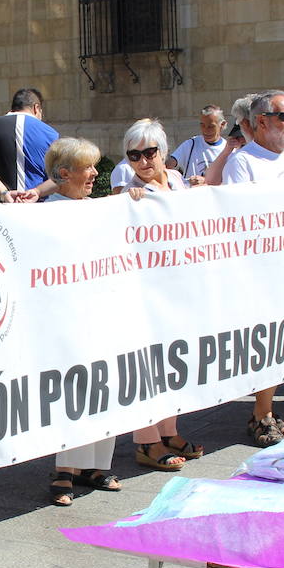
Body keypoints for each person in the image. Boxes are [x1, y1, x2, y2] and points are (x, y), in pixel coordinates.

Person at [221, 90, 284, 445]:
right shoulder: (242, 162)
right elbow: (238, 215)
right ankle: (260, 414)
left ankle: (268, 410)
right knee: (267, 342)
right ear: (261, 122)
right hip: (261, 269)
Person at [116, 119, 202, 470]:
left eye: (149, 153)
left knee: (174, 364)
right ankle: (146, 441)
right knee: (148, 367)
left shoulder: (179, 182)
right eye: (134, 155)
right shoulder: (130, 191)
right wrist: (126, 199)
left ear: (163, 153)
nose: (143, 162)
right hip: (146, 291)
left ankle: (169, 430)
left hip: (178, 286)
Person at [42, 136, 122, 504]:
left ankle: (95, 465)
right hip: (65, 315)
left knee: (105, 386)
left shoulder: (96, 208)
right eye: (87, 167)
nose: (94, 173)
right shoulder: (46, 212)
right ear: (63, 173)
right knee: (74, 389)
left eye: (94, 166)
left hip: (102, 310)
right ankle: (66, 469)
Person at [0, 86, 58, 202]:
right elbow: (61, 176)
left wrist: (4, 193)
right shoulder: (51, 133)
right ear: (36, 108)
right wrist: (37, 191)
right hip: (37, 206)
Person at [204, 94, 254, 187]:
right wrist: (226, 151)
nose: (239, 141)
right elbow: (210, 180)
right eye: (237, 137)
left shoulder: (240, 159)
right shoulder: (235, 156)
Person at [168, 105, 223, 183]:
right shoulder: (191, 144)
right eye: (202, 125)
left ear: (222, 125)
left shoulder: (228, 149)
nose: (206, 130)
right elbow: (169, 164)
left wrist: (205, 181)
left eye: (211, 126)